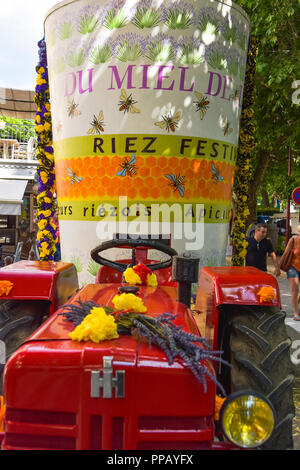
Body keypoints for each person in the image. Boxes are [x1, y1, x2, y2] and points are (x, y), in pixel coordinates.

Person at [285, 224, 300, 320]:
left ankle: (296, 304)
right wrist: (278, 267)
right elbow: (286, 254)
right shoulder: (293, 241)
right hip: (293, 267)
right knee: (295, 289)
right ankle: (296, 313)